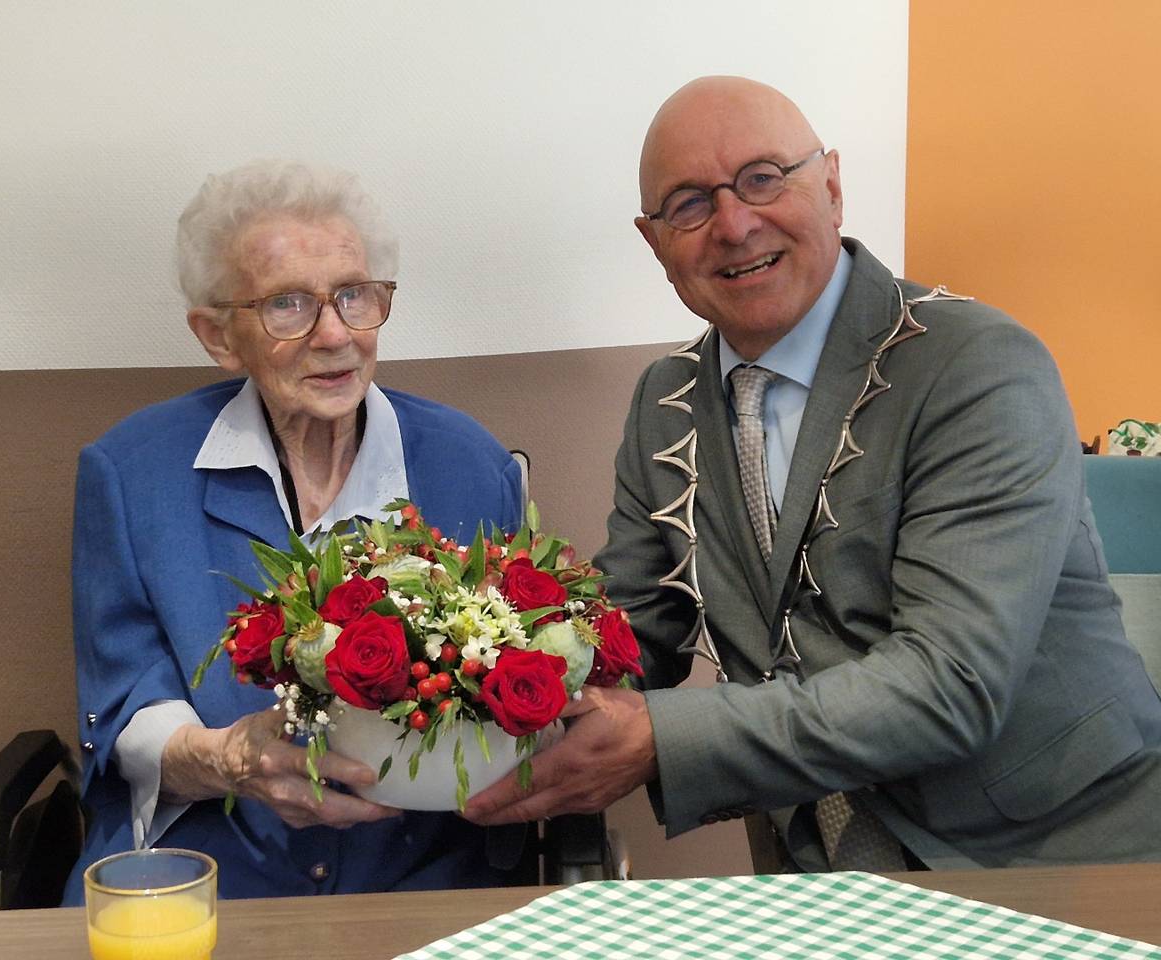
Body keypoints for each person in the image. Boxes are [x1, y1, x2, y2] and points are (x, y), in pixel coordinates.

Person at [465, 77, 1161, 870]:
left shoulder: (977, 366)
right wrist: (441, 690)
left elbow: (952, 684)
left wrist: (659, 739)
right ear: (654, 242)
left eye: (763, 177)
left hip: (1058, 861)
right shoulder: (667, 399)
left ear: (831, 185)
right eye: (689, 204)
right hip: (821, 874)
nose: (733, 223)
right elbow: (629, 632)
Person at [64, 160, 528, 902]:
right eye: (288, 304)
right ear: (218, 336)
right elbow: (125, 704)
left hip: (419, 881)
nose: (335, 334)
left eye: (354, 294)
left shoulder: (469, 465)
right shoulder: (132, 472)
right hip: (200, 876)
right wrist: (225, 759)